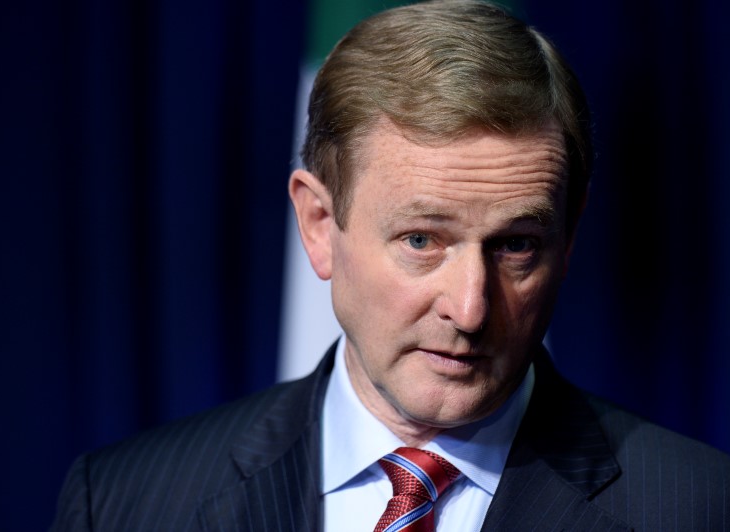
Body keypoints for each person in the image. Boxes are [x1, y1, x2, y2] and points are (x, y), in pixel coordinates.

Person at [51, 1, 730, 530]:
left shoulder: (698, 510)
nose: (470, 309)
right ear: (320, 225)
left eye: (516, 245)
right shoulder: (122, 504)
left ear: (569, 237)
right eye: (421, 240)